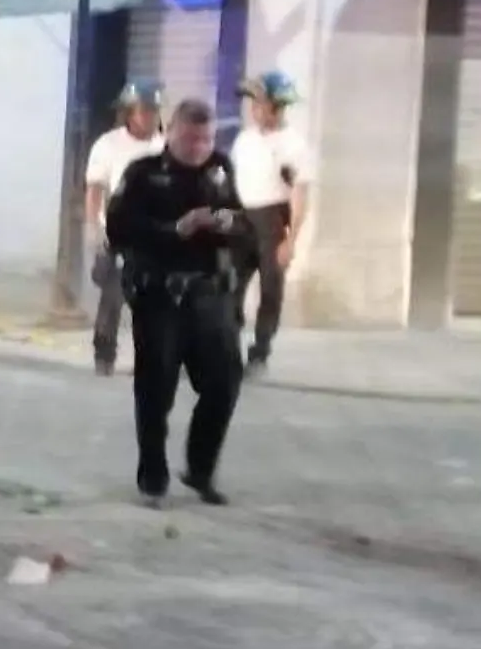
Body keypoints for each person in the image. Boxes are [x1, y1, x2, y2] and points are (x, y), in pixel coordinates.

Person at [105, 98, 255, 508]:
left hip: (210, 298)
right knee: (156, 391)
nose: (199, 146)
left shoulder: (221, 170)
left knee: (224, 383)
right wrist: (176, 229)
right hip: (161, 297)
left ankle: (201, 469)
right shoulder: (144, 174)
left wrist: (228, 223)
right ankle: (153, 476)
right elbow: (120, 228)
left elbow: (243, 224)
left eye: (206, 138)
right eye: (190, 138)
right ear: (170, 134)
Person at [230, 70, 312, 376]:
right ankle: (226, 349)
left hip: (273, 220)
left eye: (261, 103)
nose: (255, 109)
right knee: (229, 287)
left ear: (278, 106)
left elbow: (299, 195)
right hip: (241, 218)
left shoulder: (293, 145)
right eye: (253, 103)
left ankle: (260, 352)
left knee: (270, 289)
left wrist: (291, 240)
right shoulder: (244, 140)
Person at [84, 81, 165, 375]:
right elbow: (95, 189)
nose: (150, 117)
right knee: (113, 297)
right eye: (144, 110)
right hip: (119, 232)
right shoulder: (108, 145)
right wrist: (95, 228)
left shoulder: (164, 147)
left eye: (154, 111)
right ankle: (104, 354)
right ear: (129, 112)